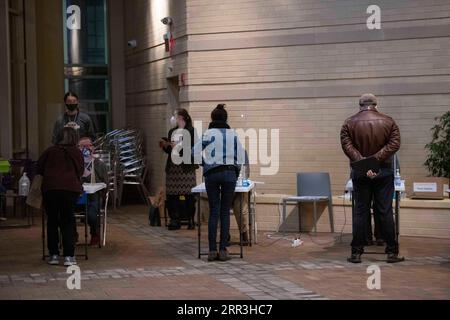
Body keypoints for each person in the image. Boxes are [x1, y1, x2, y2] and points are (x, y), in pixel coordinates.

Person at [340, 93, 404, 264]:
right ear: (376, 104)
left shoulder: (348, 122)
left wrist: (364, 164)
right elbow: (394, 144)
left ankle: (356, 252)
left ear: (360, 105)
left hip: (360, 173)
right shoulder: (389, 121)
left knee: (360, 211)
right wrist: (374, 162)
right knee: (384, 211)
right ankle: (391, 252)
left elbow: (347, 146)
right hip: (383, 171)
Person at [193, 104, 244, 262]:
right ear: (226, 118)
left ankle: (212, 251)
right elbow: (241, 157)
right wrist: (235, 171)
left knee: (214, 211)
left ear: (212, 118)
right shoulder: (233, 134)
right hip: (229, 173)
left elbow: (193, 153)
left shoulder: (208, 134)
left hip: (212, 174)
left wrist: (206, 164)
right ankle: (223, 250)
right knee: (225, 211)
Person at [37, 127, 84, 266]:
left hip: (50, 189)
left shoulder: (49, 151)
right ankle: (69, 256)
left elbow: (39, 168)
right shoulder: (76, 152)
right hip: (70, 189)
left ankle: (54, 255)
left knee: (52, 221)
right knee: (68, 220)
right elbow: (80, 170)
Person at [159, 109, 198, 230]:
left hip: (186, 167)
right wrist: (165, 146)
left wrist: (180, 146)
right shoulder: (172, 131)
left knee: (189, 195)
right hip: (173, 168)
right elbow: (170, 150)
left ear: (182, 118)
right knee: (172, 195)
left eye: (176, 117)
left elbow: (194, 148)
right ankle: (174, 219)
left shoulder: (191, 131)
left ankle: (190, 219)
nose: (174, 120)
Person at [77, 136, 109, 246]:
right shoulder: (75, 165)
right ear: (78, 149)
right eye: (83, 147)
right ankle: (72, 235)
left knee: (92, 214)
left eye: (88, 146)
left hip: (94, 196)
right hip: (78, 196)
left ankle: (95, 234)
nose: (86, 149)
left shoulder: (100, 165)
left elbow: (106, 184)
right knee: (66, 210)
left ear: (93, 148)